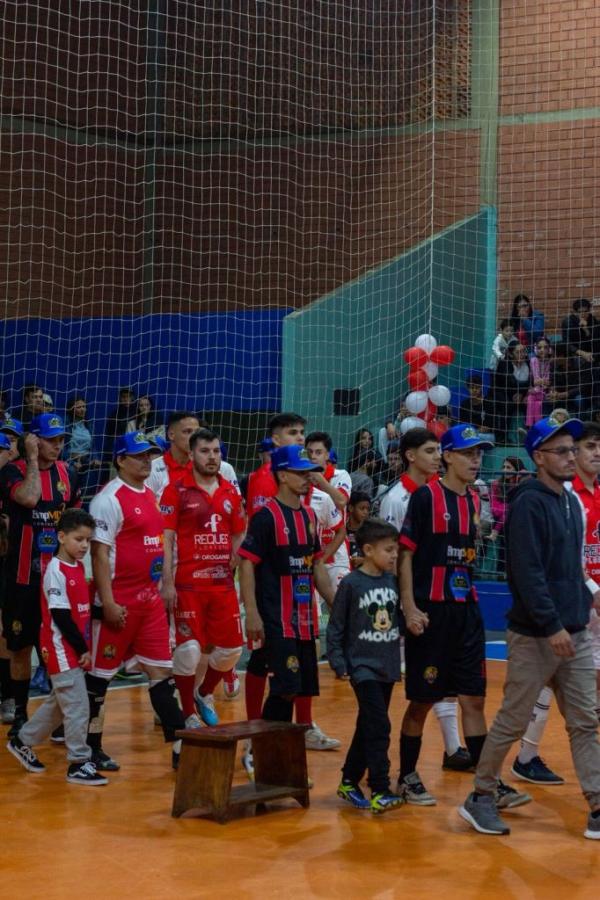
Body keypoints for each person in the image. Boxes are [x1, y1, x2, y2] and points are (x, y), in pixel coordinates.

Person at [459, 415, 600, 839]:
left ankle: (597, 804)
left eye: (573, 449)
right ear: (539, 457)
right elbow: (527, 573)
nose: (571, 457)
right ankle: (481, 795)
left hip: (574, 632)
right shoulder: (528, 503)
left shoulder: (568, 502)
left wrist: (584, 606)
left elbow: (570, 568)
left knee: (585, 722)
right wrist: (552, 625)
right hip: (537, 635)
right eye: (562, 451)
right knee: (513, 721)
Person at [398, 424, 529, 808]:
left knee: (473, 700)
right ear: (448, 456)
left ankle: (487, 785)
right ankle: (406, 776)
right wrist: (409, 606)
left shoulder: (473, 500)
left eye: (479, 454)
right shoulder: (425, 497)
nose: (476, 460)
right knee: (422, 700)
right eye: (469, 453)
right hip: (431, 612)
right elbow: (405, 555)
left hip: (466, 613)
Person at [242, 413, 340, 768]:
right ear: (282, 475)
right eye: (301, 472)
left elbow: (317, 566)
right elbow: (246, 564)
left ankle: (279, 758)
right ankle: (258, 750)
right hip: (276, 619)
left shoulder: (310, 517)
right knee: (283, 687)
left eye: (309, 472)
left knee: (296, 688)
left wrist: (336, 604)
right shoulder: (266, 516)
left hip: (305, 619)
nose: (307, 477)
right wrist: (252, 613)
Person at [86, 432, 185, 771]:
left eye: (149, 455)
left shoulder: (150, 495)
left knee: (162, 673)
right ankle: (90, 748)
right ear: (120, 460)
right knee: (99, 678)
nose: (147, 461)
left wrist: (163, 586)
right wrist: (108, 603)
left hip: (150, 602)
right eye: (139, 455)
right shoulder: (108, 499)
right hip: (120, 603)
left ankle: (181, 745)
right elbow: (99, 555)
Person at [510, 420, 600, 786]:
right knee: (567, 683)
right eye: (588, 446)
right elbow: (563, 561)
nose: (595, 453)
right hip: (579, 601)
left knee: (567, 685)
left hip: (588, 600)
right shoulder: (564, 497)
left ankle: (527, 757)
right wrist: (592, 591)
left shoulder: (593, 494)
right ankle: (516, 762)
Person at [381, 427, 473, 771]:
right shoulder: (396, 499)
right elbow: (391, 556)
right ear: (410, 456)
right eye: (430, 451)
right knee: (408, 688)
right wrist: (403, 604)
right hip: (406, 601)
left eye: (439, 451)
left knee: (442, 679)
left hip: (439, 603)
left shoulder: (451, 494)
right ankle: (386, 766)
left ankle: (453, 747)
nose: (437, 457)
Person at [6, 509, 107, 786]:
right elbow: (61, 616)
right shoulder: (55, 571)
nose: (84, 546)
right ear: (61, 537)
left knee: (59, 706)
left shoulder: (78, 567)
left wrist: (105, 613)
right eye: (78, 539)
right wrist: (82, 648)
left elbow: (80, 608)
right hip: (61, 650)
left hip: (72, 648)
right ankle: (78, 763)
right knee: (78, 707)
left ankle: (22, 741)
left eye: (88, 540)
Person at [0, 414, 80, 737]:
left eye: (61, 439)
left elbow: (74, 520)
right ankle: (20, 714)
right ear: (33, 440)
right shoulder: (12, 471)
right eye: (50, 439)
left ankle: (57, 718)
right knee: (20, 648)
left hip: (57, 579)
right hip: (22, 578)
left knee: (58, 649)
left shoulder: (69, 473)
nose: (57, 445)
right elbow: (30, 498)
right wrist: (32, 458)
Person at [161, 428, 246, 728]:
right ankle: (187, 712)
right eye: (205, 451)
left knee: (231, 650)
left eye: (216, 451)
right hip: (188, 584)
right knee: (188, 651)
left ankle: (204, 692)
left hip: (223, 584)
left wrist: (236, 554)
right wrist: (167, 582)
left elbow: (239, 532)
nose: (212, 457)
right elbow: (166, 539)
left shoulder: (230, 492)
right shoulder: (175, 490)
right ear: (191, 454)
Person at [327, 518, 404, 814]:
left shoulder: (392, 581)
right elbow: (336, 625)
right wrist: (338, 661)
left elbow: (397, 620)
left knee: (368, 724)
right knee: (380, 725)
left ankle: (349, 780)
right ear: (369, 550)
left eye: (396, 550)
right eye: (388, 550)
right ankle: (380, 788)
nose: (394, 555)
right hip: (362, 667)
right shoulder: (351, 584)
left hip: (387, 666)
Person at [146, 411, 238, 501]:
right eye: (188, 431)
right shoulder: (151, 469)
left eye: (196, 432)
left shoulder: (222, 468)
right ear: (171, 435)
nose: (194, 437)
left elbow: (237, 505)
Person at [488, 456, 527, 577]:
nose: (505, 470)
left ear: (517, 470)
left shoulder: (521, 483)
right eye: (504, 467)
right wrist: (508, 509)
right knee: (508, 517)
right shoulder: (496, 484)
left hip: (517, 520)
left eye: (509, 467)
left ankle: (506, 571)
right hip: (501, 520)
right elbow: (494, 508)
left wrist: (523, 477)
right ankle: (502, 572)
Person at [561, 298, 599, 416]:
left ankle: (594, 406)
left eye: (586, 311)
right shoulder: (568, 322)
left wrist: (586, 330)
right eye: (580, 312)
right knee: (589, 366)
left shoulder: (594, 322)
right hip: (575, 355)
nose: (583, 314)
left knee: (594, 366)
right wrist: (582, 353)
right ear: (574, 312)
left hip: (592, 356)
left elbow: (596, 345)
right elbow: (567, 344)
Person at [64, 396, 102, 501]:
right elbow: (62, 447)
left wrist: (96, 458)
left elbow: (93, 446)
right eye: (78, 407)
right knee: (72, 471)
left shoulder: (88, 424)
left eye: (84, 407)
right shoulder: (66, 423)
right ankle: (70, 501)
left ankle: (85, 502)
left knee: (100, 468)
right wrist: (71, 461)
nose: (82, 409)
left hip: (86, 458)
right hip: (70, 459)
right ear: (71, 409)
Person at [492, 342, 531, 442]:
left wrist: (523, 394)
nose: (522, 354)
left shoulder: (528, 363)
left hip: (520, 393)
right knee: (507, 404)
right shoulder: (504, 364)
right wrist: (521, 391)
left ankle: (529, 435)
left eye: (523, 351)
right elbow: (510, 383)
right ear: (510, 354)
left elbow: (531, 381)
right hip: (503, 392)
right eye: (518, 352)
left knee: (531, 402)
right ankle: (501, 438)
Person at [525, 337, 552, 427]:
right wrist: (541, 382)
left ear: (549, 349)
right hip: (535, 391)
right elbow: (535, 380)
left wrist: (541, 383)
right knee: (531, 399)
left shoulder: (550, 362)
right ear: (536, 349)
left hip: (545, 392)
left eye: (545, 347)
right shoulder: (533, 360)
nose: (542, 350)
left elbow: (548, 382)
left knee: (536, 402)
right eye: (539, 348)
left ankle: (537, 427)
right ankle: (531, 427)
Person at [103, 387, 136, 460]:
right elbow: (110, 437)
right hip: (119, 449)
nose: (126, 399)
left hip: (136, 447)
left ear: (132, 398)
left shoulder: (137, 412)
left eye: (128, 396)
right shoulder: (114, 415)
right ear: (120, 398)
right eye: (123, 397)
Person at [346, 491, 371, 567]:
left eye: (368, 509)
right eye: (362, 508)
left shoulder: (371, 532)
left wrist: (363, 560)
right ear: (351, 508)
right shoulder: (341, 530)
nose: (365, 512)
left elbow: (380, 558)